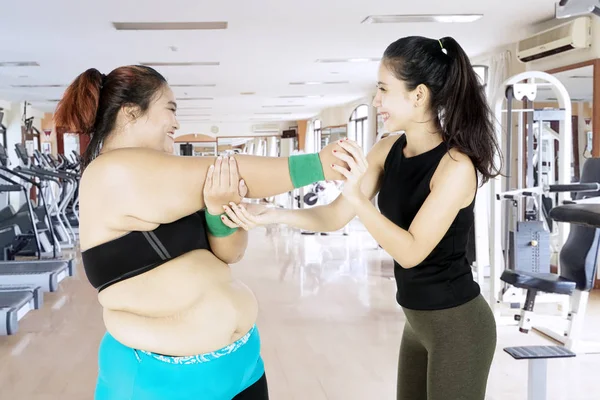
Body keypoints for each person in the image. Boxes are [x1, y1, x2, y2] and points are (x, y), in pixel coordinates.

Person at [222, 36, 500, 400]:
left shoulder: (455, 166)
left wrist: (357, 196)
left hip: (458, 324)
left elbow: (411, 252)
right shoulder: (388, 149)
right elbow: (335, 216)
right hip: (417, 321)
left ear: (418, 96)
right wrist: (270, 214)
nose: (376, 101)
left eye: (384, 89)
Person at [53, 65, 349, 400]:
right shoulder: (110, 172)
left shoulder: (166, 175)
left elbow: (230, 253)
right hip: (161, 381)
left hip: (243, 367)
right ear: (131, 112)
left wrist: (218, 210)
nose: (177, 124)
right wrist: (320, 166)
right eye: (171, 109)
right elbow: (232, 169)